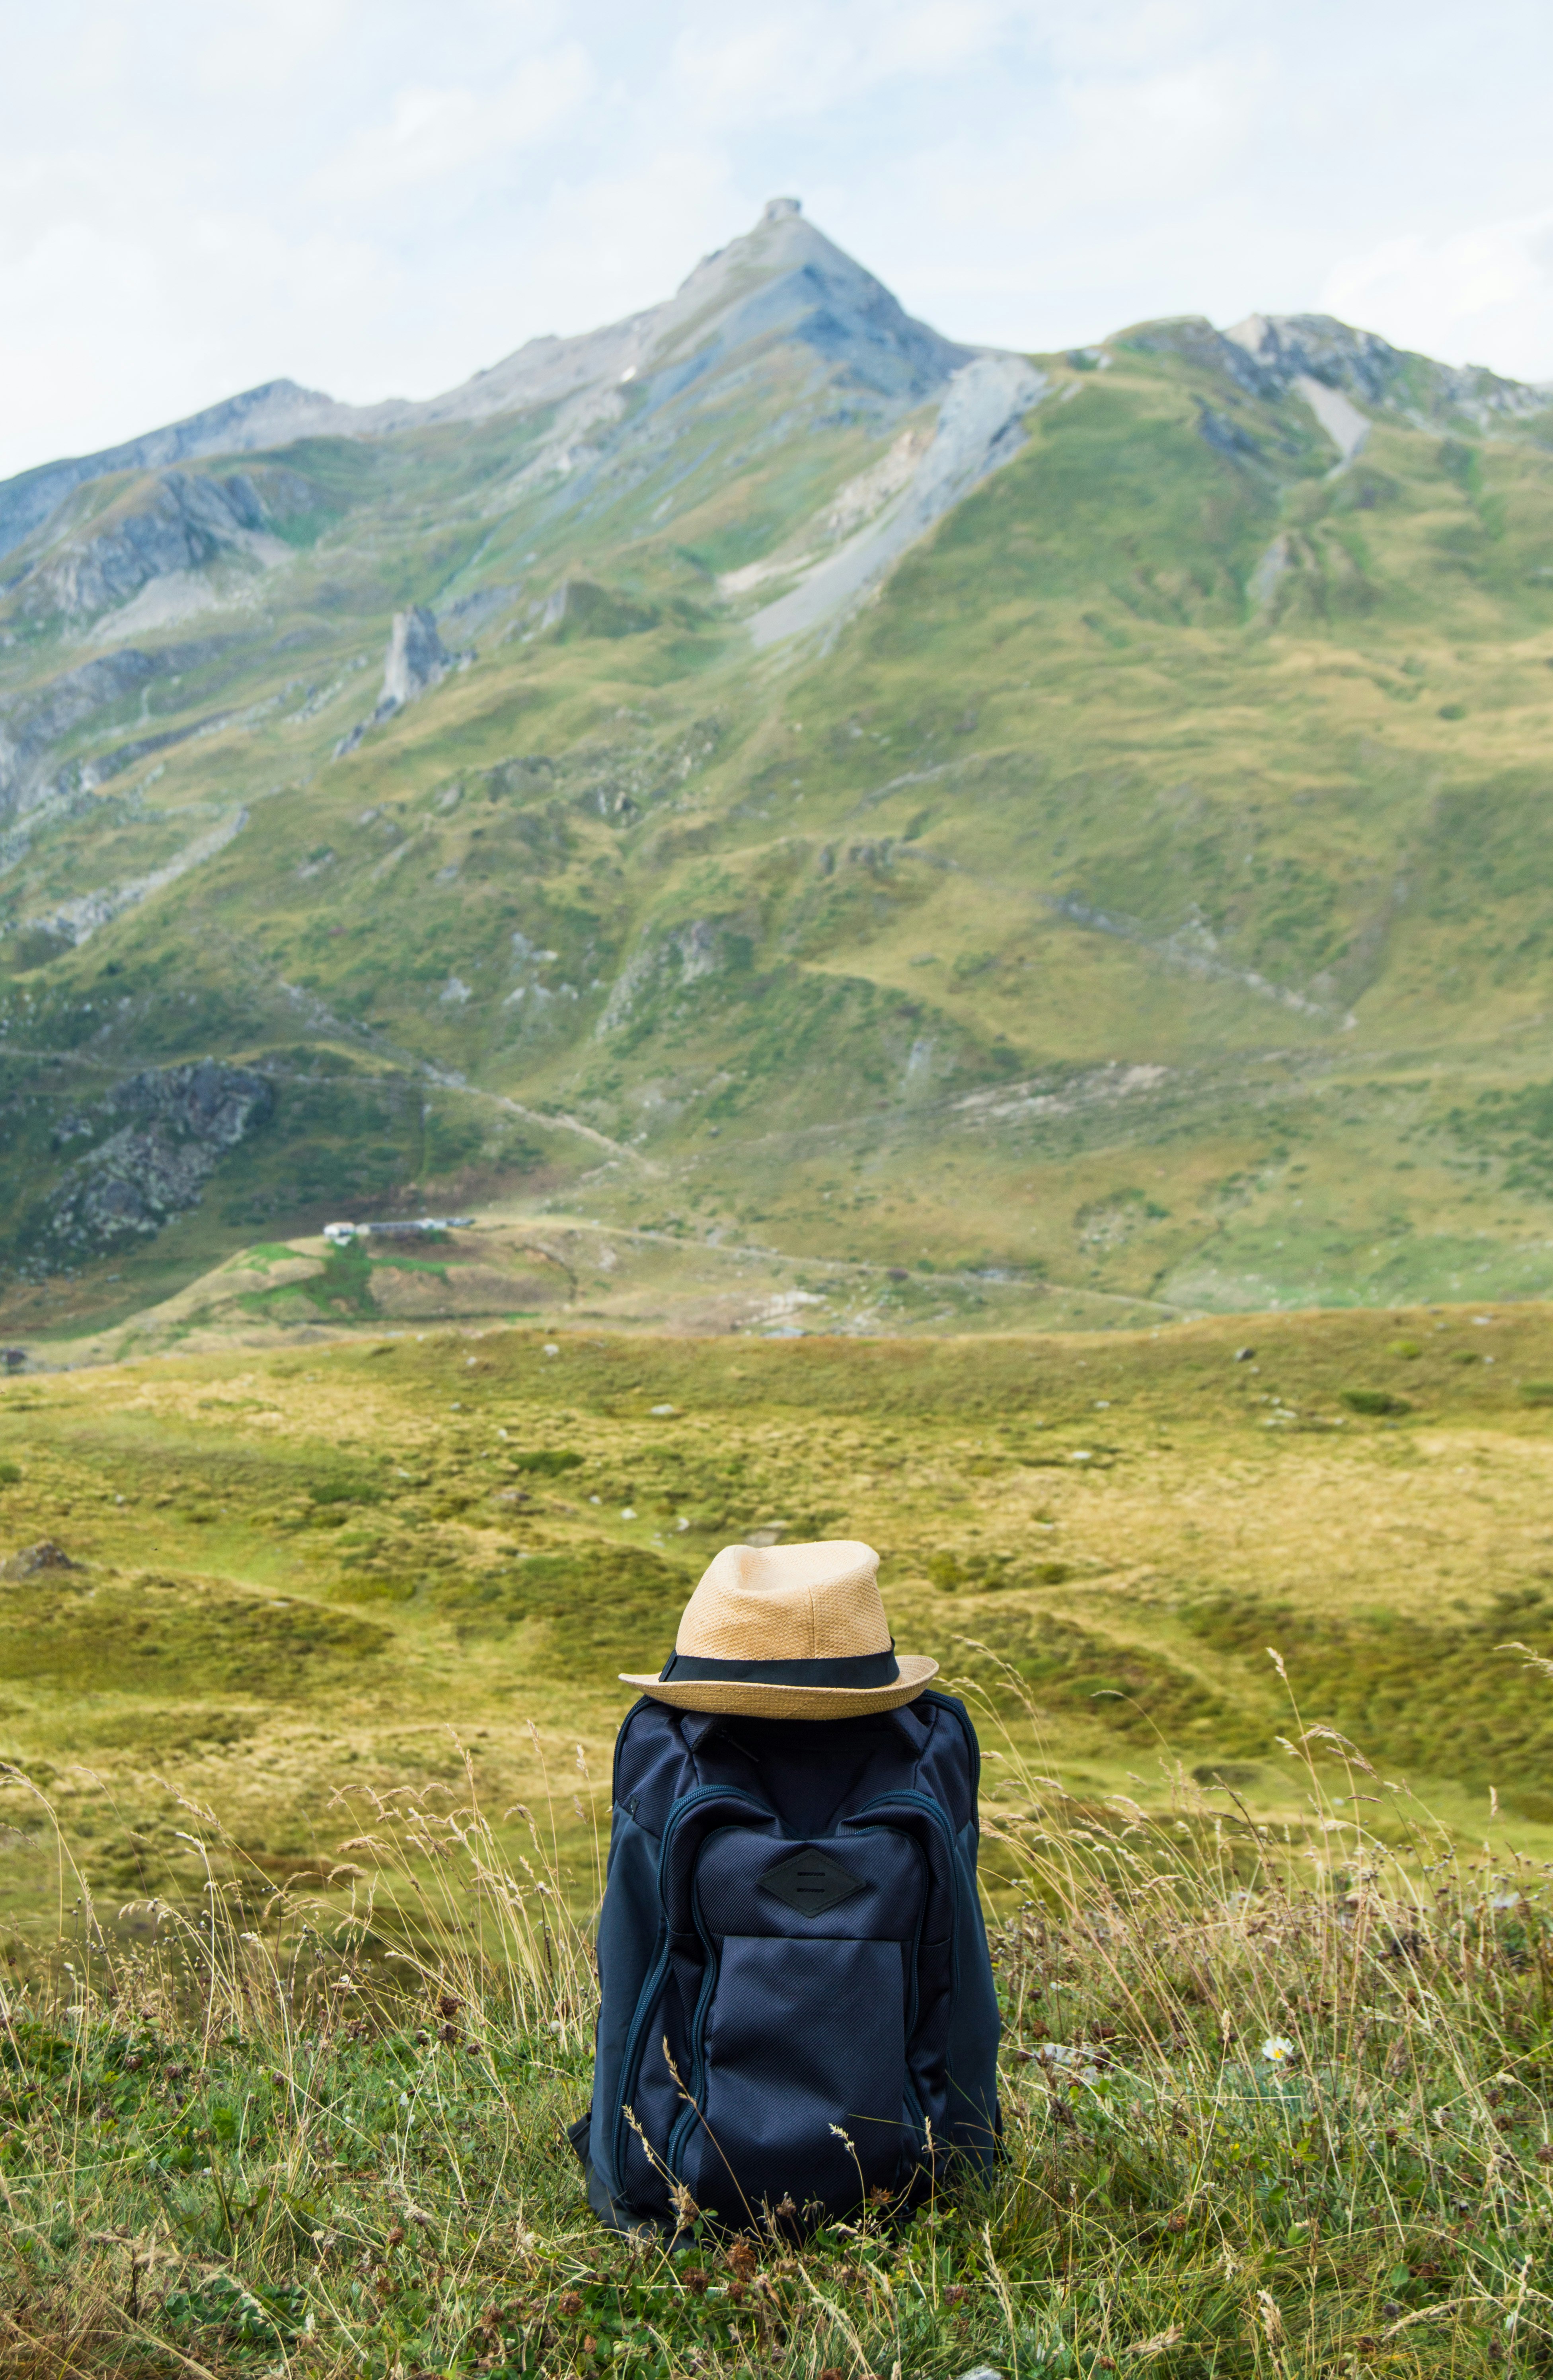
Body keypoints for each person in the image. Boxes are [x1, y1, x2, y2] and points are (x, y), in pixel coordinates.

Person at [568, 1537, 1001, 2234]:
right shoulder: (931, 1746)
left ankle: (653, 2160)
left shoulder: (663, 1747)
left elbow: (627, 1978)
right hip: (918, 2192)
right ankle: (950, 2158)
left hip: (675, 2188)